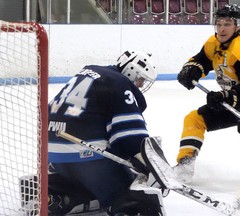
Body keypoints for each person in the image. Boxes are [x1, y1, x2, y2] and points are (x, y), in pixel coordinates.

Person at [47, 50, 168, 215]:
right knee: (129, 193)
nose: (139, 85)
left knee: (89, 186)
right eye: (140, 79)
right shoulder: (120, 84)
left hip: (53, 157)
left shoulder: (87, 73)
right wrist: (147, 164)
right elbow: (130, 140)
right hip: (86, 160)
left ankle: (59, 196)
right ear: (131, 70)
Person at [174, 4, 240, 183]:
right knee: (194, 119)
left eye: (227, 24)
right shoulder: (214, 44)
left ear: (238, 26)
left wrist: (228, 96)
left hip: (235, 98)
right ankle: (185, 166)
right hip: (234, 100)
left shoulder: (239, 48)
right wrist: (191, 70)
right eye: (218, 24)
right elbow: (200, 61)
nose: (222, 28)